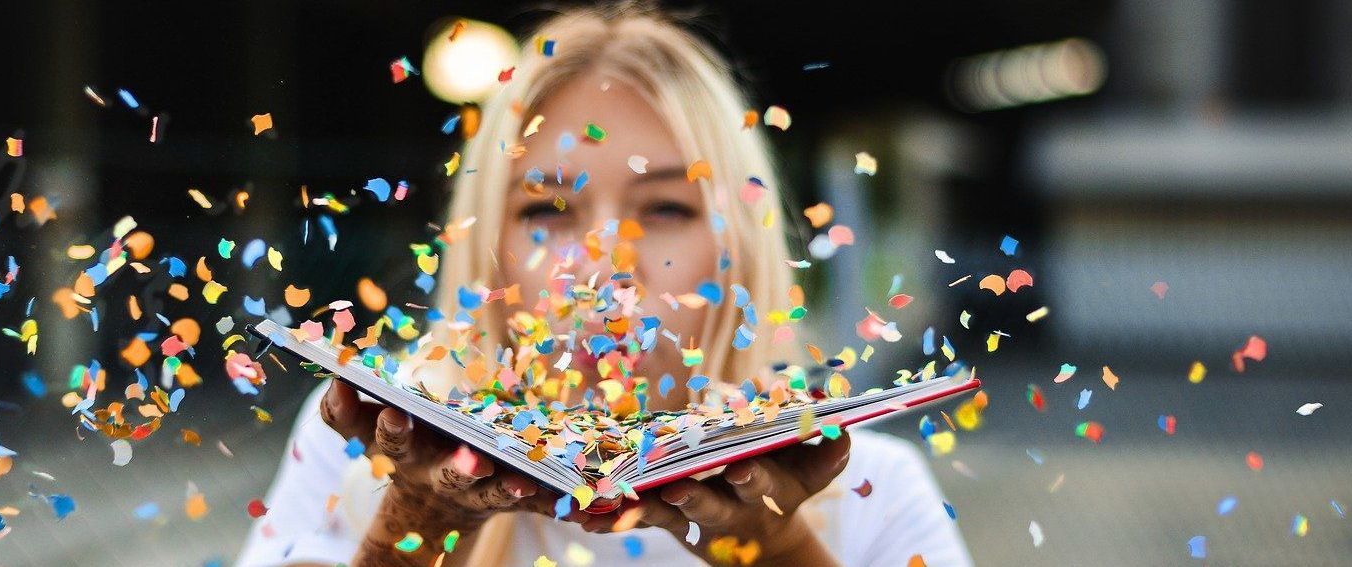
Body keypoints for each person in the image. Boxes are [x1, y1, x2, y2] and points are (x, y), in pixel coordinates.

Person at [238, 3, 970, 566]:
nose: (602, 264)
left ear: (737, 250)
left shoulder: (872, 489)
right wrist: (415, 525)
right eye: (547, 210)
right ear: (486, 248)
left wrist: (776, 550)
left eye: (665, 208)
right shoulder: (356, 450)